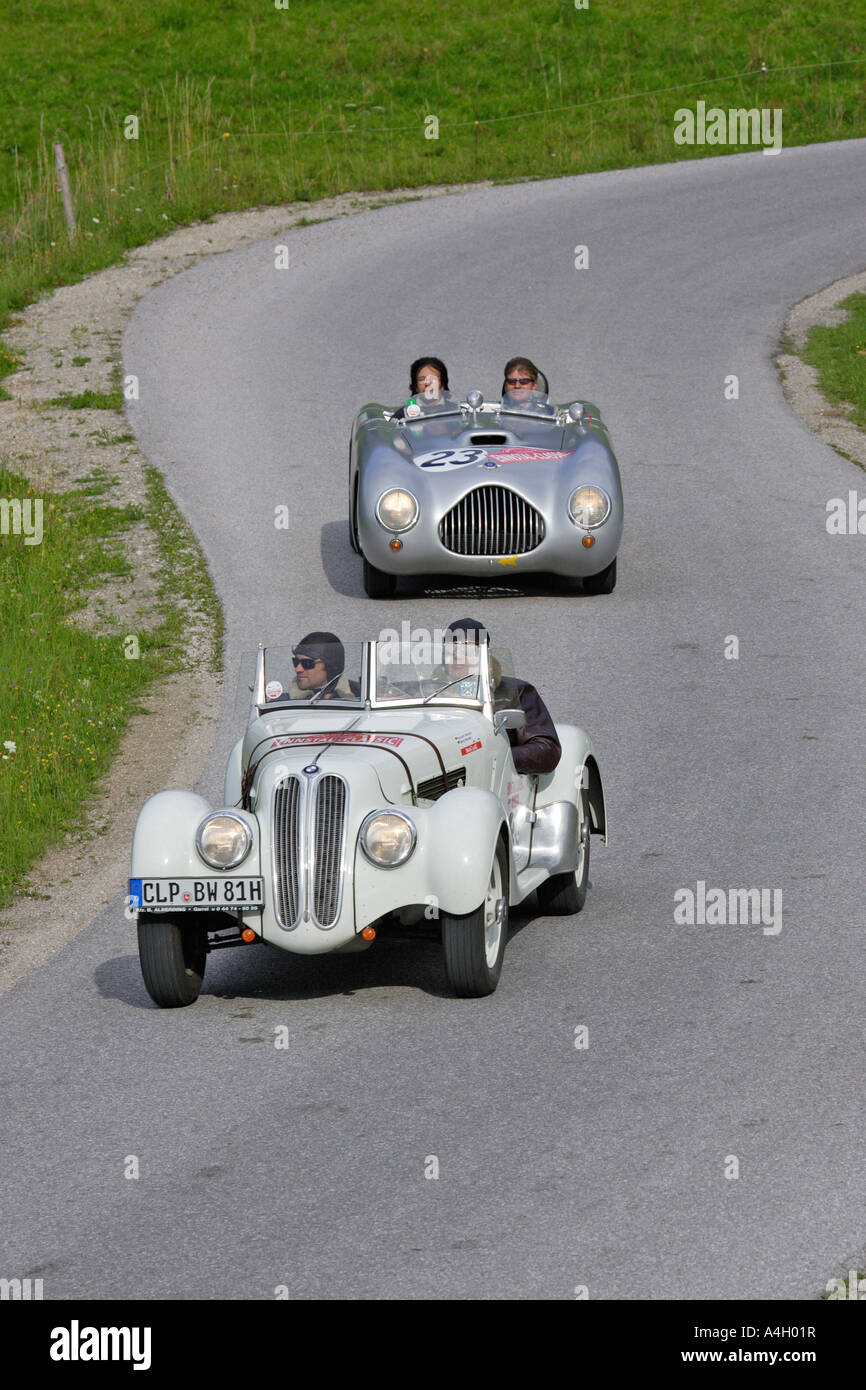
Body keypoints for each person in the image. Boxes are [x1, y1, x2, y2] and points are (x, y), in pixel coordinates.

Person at [445, 618, 561, 774]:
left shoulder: (515, 691)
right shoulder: (423, 693)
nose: (457, 656)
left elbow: (546, 748)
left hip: (500, 780)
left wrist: (498, 757)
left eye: (467, 650)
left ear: (484, 656)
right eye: (451, 650)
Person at [287, 631, 355, 700]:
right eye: (296, 662)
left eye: (307, 663)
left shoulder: (360, 698)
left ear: (330, 667)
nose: (297, 669)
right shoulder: (283, 704)